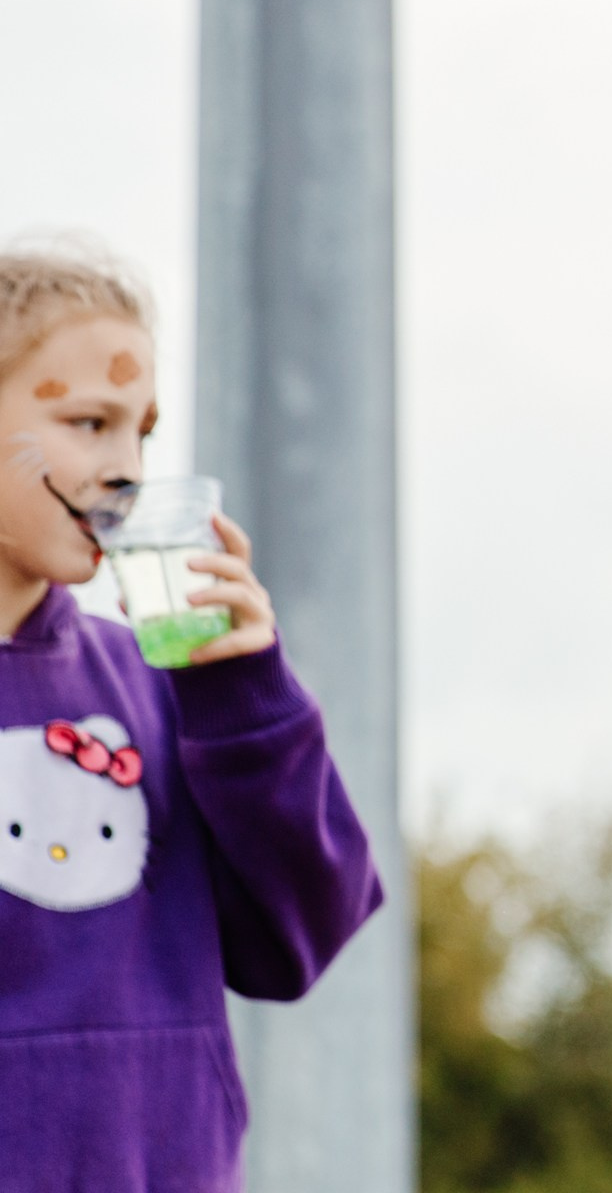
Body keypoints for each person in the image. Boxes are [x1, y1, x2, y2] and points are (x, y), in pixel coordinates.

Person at [0, 242, 384, 1190]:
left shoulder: (160, 687)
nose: (127, 468)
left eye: (144, 432)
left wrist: (246, 695)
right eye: (89, 422)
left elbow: (297, 936)